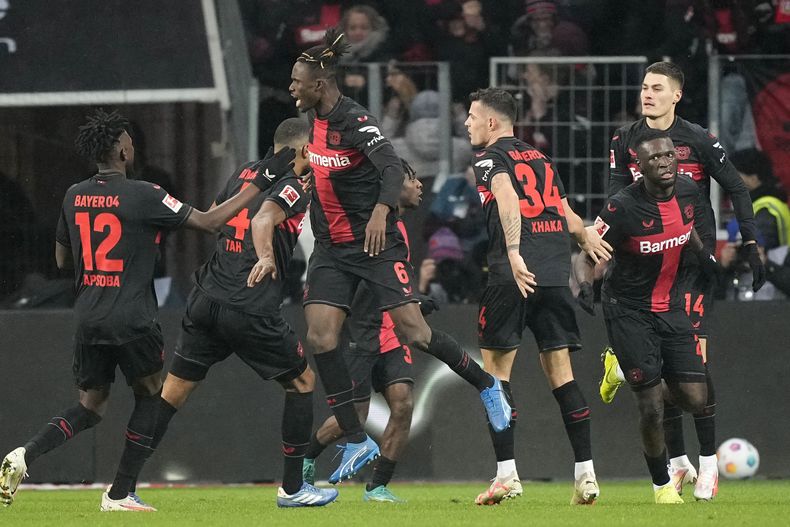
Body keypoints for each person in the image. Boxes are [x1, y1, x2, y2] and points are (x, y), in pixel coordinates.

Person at [0, 109, 296, 510]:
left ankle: (25, 453)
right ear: (123, 151)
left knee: (90, 406)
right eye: (130, 142)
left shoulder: (73, 195)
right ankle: (120, 492)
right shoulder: (145, 194)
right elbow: (210, 222)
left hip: (88, 315)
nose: (133, 147)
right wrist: (261, 180)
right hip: (133, 316)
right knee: (151, 396)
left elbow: (61, 260)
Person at [288, 29, 511, 485]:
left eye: (297, 81)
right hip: (332, 249)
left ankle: (487, 385)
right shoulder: (314, 121)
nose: (291, 87)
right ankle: (356, 439)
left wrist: (380, 211)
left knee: (415, 331)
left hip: (372, 244)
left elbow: (391, 166)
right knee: (320, 338)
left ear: (320, 84)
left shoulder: (355, 120)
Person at [109, 118, 337, 509]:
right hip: (249, 305)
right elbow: (263, 219)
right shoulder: (292, 186)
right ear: (303, 150)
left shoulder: (246, 173)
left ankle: (120, 490)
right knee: (302, 383)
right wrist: (265, 255)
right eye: (314, 150)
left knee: (170, 393)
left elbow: (214, 216)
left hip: (206, 297)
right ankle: (293, 488)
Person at [600, 61, 766, 501]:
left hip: (690, 265)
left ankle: (708, 465)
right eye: (644, 86)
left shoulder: (699, 139)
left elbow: (737, 187)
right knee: (661, 376)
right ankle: (677, 463)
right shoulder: (623, 139)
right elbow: (614, 197)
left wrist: (750, 242)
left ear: (677, 95)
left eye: (657, 88)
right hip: (643, 269)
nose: (647, 93)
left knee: (692, 367)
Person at [465, 88, 611, 506]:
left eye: (472, 116)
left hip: (512, 275)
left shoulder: (489, 158)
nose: (467, 123)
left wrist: (513, 252)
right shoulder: (541, 159)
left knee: (495, 378)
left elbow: (508, 197)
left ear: (492, 122)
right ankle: (586, 475)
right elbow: (566, 215)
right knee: (562, 375)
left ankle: (506, 475)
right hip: (553, 277)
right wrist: (586, 238)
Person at [576, 129, 718, 504]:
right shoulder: (622, 207)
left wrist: (705, 257)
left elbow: (687, 228)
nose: (665, 162)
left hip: (670, 306)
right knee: (651, 407)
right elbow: (587, 252)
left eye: (669, 155)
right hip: (627, 309)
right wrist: (584, 285)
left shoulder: (688, 190)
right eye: (654, 158)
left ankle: (623, 370)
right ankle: (661, 486)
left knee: (695, 398)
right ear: (639, 167)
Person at [302, 159, 428, 503]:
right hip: (361, 331)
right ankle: (305, 461)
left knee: (403, 404)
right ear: (393, 187)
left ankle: (378, 487)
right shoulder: (372, 226)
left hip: (391, 333)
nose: (419, 186)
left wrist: (415, 300)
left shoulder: (399, 229)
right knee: (353, 416)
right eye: (412, 179)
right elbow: (360, 279)